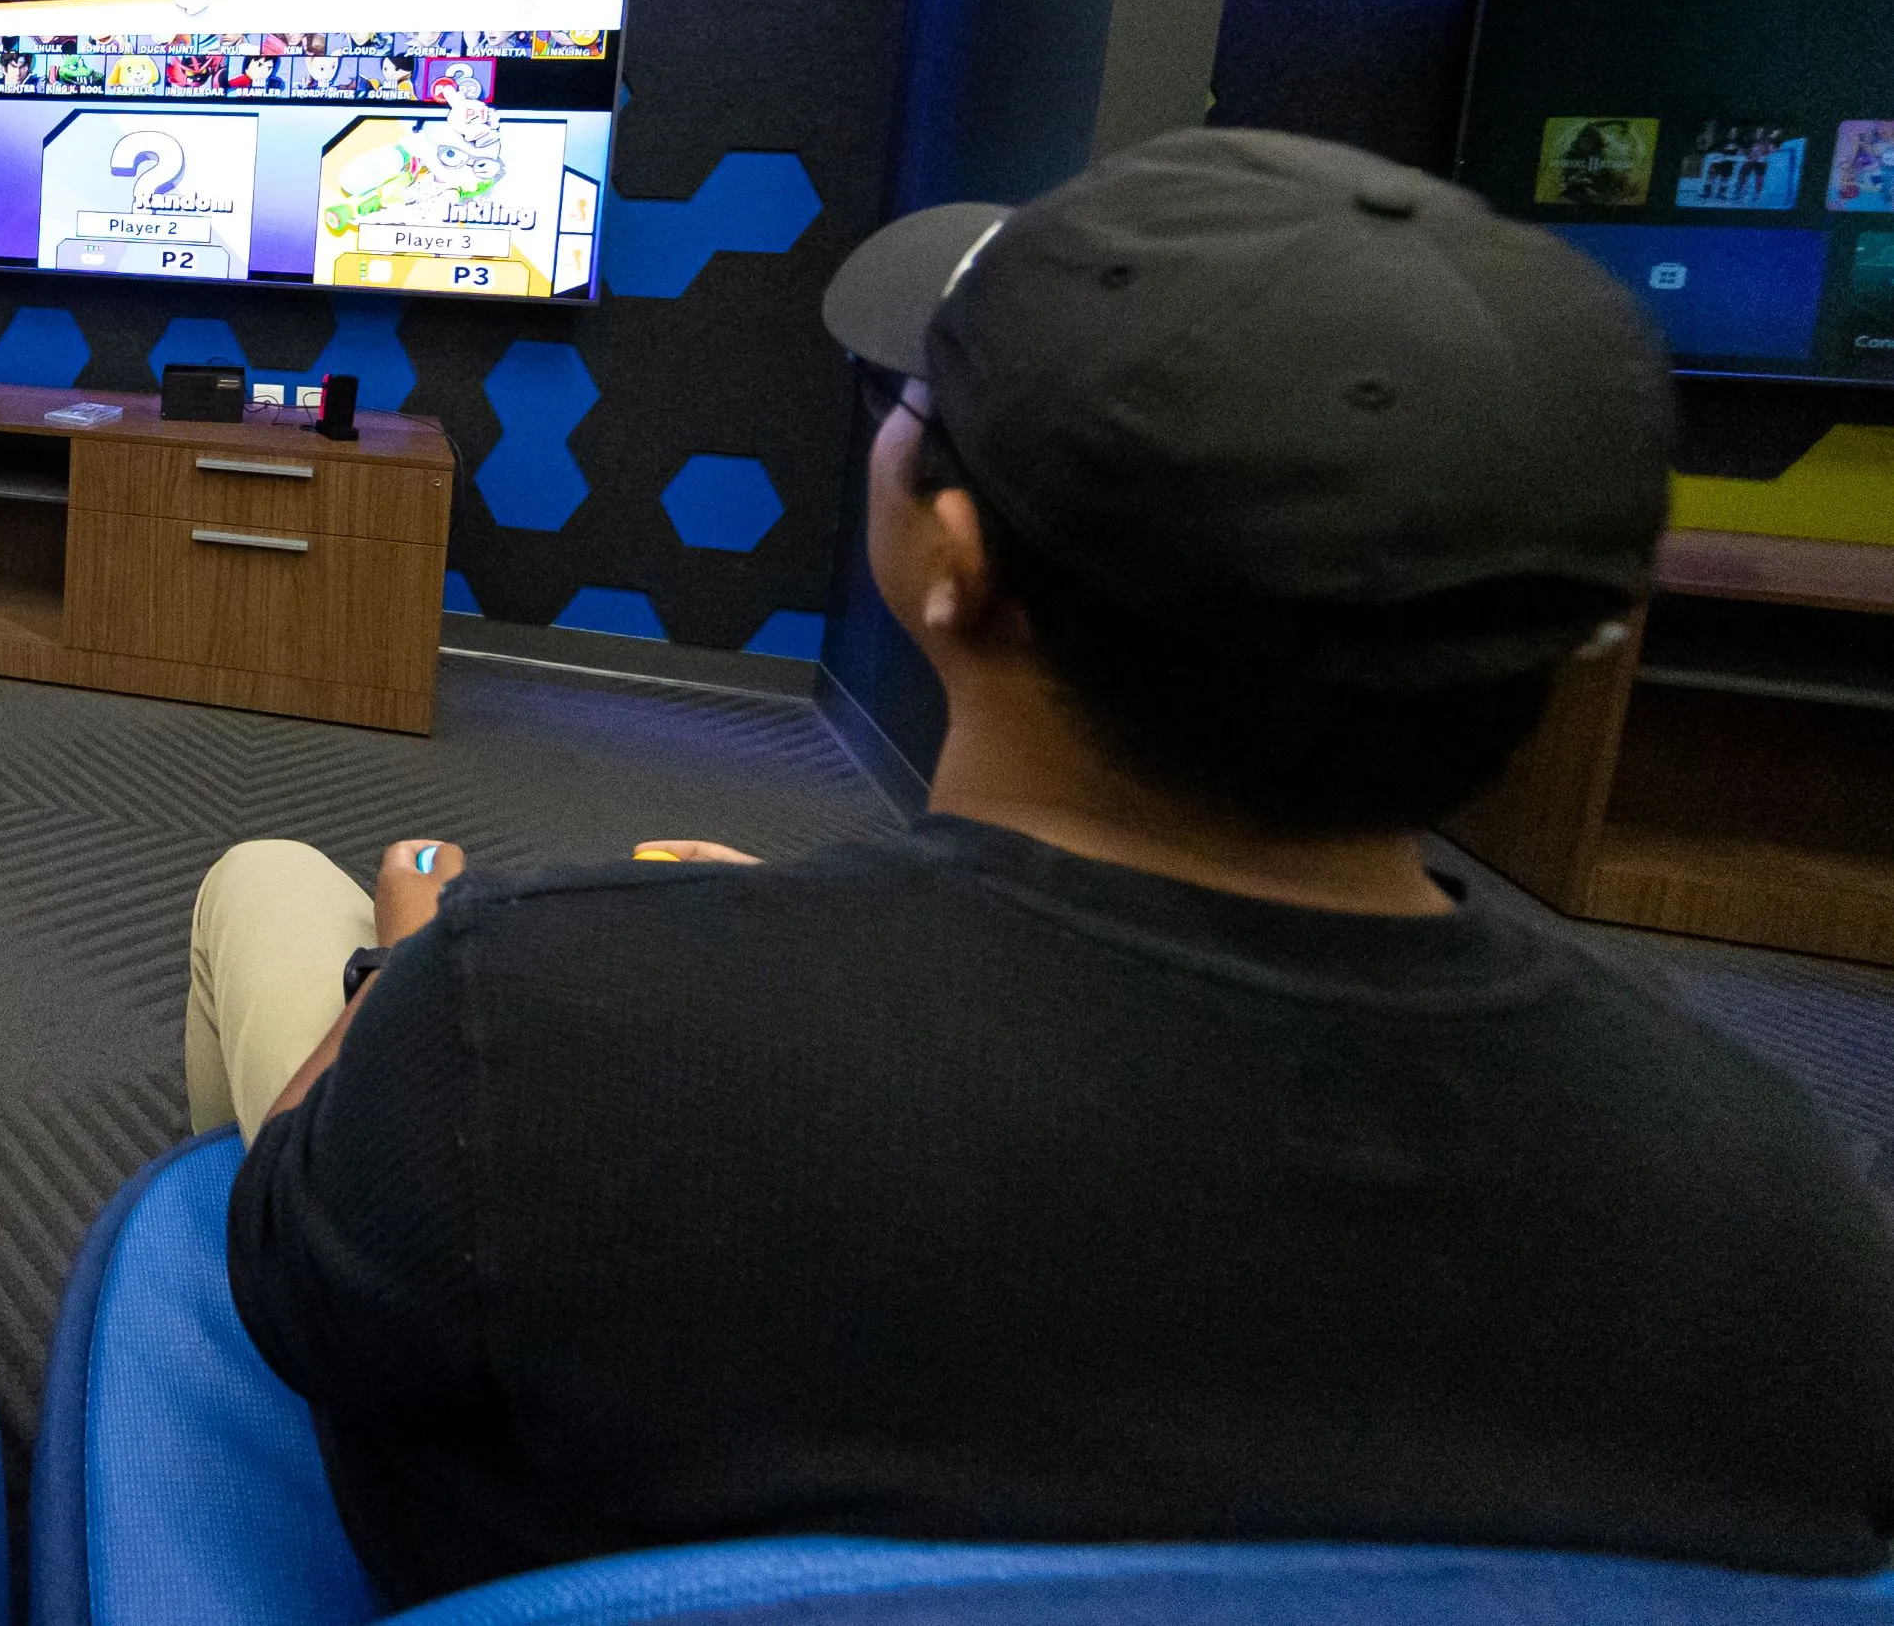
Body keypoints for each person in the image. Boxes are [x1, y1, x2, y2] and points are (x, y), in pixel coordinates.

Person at [192, 127, 1894, 1600]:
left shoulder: (541, 1014)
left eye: (920, 403)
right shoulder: (1784, 1192)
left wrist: (420, 959)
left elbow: (296, 1265)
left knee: (273, 882)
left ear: (954, 553)